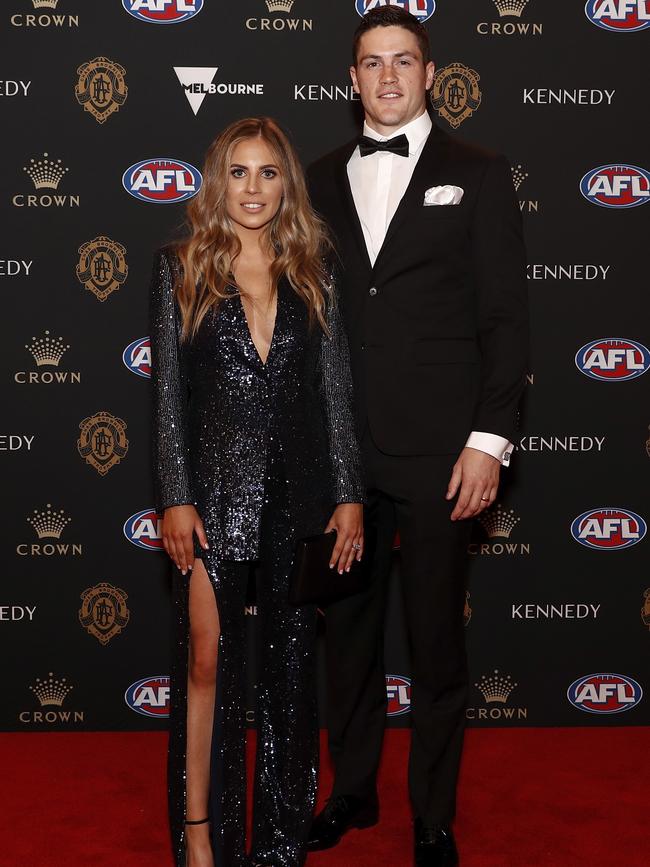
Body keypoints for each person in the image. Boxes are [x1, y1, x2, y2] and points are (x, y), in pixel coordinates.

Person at [307, 8, 528, 867]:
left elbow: (507, 320)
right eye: (372, 64)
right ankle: (352, 791)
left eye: (405, 61)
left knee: (437, 646)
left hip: (442, 453)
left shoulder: (480, 171)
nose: (389, 77)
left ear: (431, 75)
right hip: (340, 454)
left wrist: (491, 439)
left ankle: (433, 817)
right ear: (352, 79)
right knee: (349, 641)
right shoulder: (319, 177)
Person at [149, 116, 365, 867]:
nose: (253, 187)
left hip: (300, 499)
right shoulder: (179, 266)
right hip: (211, 496)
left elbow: (335, 389)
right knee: (205, 661)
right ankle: (200, 831)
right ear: (219, 181)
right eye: (238, 172)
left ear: (287, 184)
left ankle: (278, 841)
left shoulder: (314, 268)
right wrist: (176, 496)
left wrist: (349, 492)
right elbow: (169, 399)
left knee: (289, 669)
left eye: (268, 172)